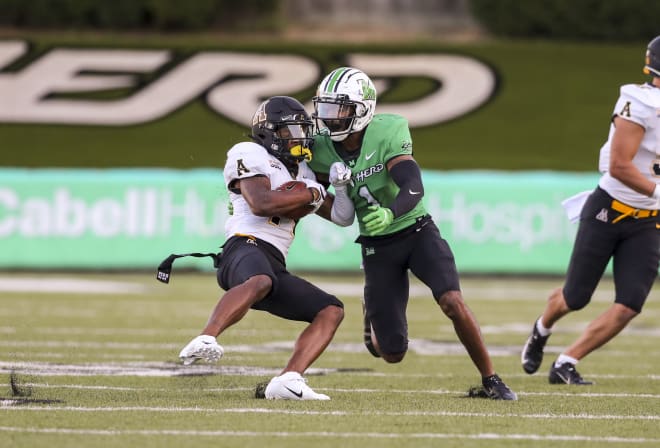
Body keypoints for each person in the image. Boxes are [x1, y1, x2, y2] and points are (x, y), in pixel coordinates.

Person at [308, 67, 517, 400]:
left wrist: (391, 212)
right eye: (326, 108)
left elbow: (413, 185)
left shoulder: (388, 131)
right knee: (391, 353)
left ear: (362, 109)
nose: (329, 118)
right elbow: (304, 185)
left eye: (339, 109)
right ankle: (371, 315)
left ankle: (491, 378)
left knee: (452, 300)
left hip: (416, 231)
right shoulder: (317, 147)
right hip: (377, 247)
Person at [178, 95, 354, 400]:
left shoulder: (303, 173)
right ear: (270, 132)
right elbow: (261, 204)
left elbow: (341, 217)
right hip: (242, 248)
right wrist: (307, 194)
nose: (299, 138)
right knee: (260, 280)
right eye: (290, 131)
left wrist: (338, 188)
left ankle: (289, 379)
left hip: (274, 262)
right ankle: (206, 337)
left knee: (331, 310)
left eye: (301, 130)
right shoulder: (248, 152)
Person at [521, 36, 660, 385]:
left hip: (648, 220)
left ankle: (566, 362)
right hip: (610, 210)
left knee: (630, 304)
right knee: (575, 297)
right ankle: (541, 328)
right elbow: (619, 165)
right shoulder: (639, 102)